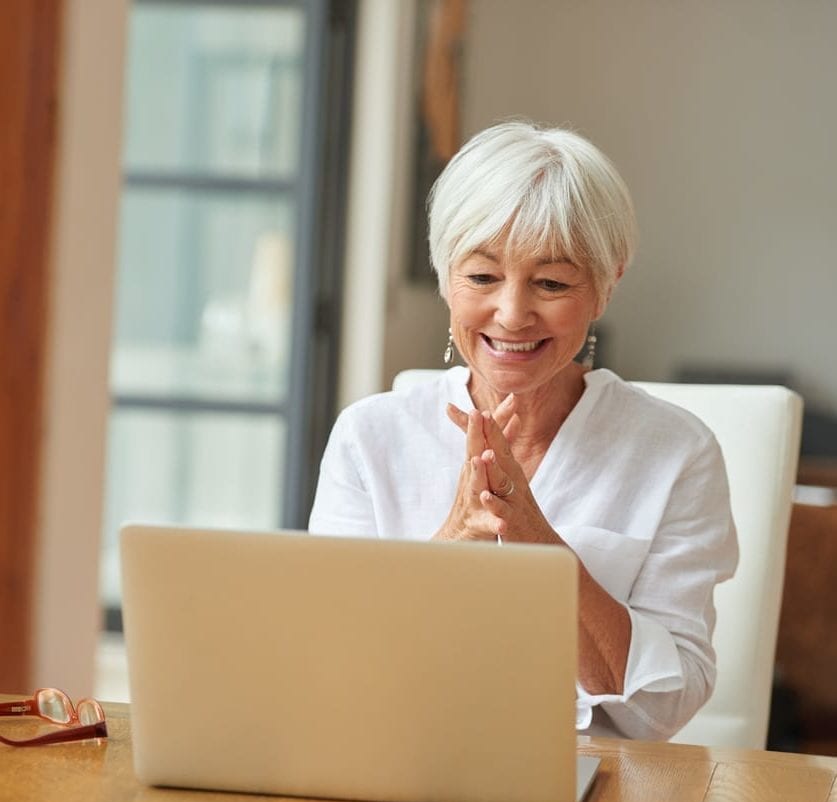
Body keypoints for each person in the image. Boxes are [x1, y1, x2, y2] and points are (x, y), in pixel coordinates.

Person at [309, 121, 738, 740]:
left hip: (589, 779)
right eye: (482, 277)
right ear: (446, 278)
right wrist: (459, 533)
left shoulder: (676, 453)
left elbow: (663, 709)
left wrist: (532, 534)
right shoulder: (367, 437)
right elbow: (333, 665)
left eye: (552, 283)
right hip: (398, 761)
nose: (512, 315)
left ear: (606, 286)